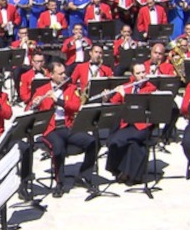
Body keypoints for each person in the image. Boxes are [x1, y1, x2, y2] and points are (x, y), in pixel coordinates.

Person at [28, 62, 97, 196]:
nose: (64, 76)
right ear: (51, 75)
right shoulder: (42, 90)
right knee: (58, 148)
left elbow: (76, 106)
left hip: (67, 126)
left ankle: (83, 175)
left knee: (92, 141)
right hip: (50, 129)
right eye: (60, 74)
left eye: (64, 73)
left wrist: (58, 101)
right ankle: (59, 183)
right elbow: (28, 110)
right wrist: (35, 104)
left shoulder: (70, 88)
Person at [105, 63, 156, 184]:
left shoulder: (150, 88)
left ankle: (123, 172)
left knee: (118, 140)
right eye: (138, 73)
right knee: (118, 142)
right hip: (128, 124)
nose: (142, 75)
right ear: (133, 75)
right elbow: (114, 103)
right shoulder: (127, 86)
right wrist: (106, 98)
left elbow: (137, 105)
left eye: (143, 72)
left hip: (143, 125)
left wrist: (125, 96)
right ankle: (123, 172)